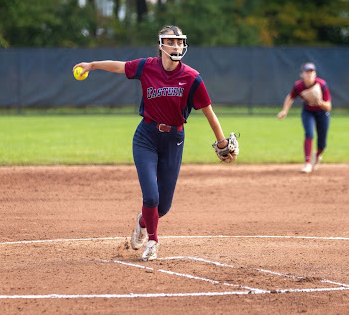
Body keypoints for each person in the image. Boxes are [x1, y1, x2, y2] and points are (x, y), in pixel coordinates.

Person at [73, 25, 236, 261]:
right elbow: (119, 66)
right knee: (151, 197)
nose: (176, 46)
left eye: (179, 42)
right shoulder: (147, 66)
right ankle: (152, 241)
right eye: (171, 41)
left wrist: (221, 142)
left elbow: (209, 112)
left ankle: (142, 223)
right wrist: (92, 65)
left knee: (163, 207)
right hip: (146, 137)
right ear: (161, 45)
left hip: (174, 141)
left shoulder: (192, 77)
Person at [277, 62, 332, 173]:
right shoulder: (298, 86)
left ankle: (317, 155)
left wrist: (320, 103)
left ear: (315, 74)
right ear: (302, 74)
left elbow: (328, 106)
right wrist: (284, 111)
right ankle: (307, 163)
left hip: (322, 113)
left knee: (322, 143)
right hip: (308, 112)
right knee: (309, 134)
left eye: (311, 72)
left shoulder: (321, 85)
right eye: (306, 72)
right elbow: (290, 97)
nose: (309, 74)